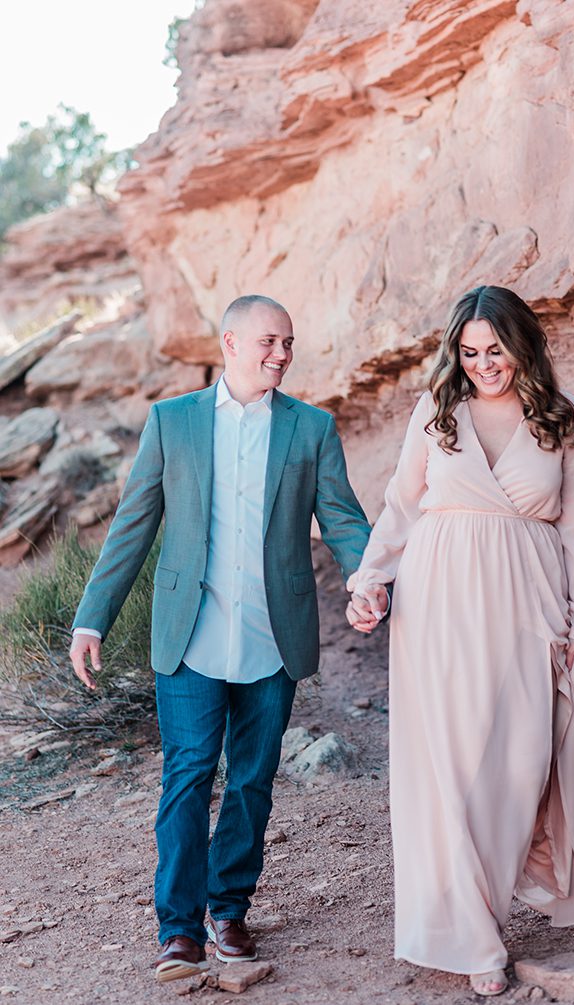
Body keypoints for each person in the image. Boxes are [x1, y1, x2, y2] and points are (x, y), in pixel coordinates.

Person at [345, 285, 574, 997]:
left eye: (495, 351)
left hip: (528, 604)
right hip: (438, 606)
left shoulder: (562, 421)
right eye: (469, 352)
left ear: (522, 346)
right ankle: (475, 937)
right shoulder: (436, 412)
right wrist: (370, 579)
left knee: (515, 764)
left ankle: (494, 897)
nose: (483, 365)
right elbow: (401, 506)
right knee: (449, 767)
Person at [68, 295, 372, 982]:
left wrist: (370, 578)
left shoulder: (312, 428)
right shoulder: (171, 421)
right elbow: (132, 524)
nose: (282, 354)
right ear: (230, 342)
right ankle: (178, 930)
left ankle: (228, 909)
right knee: (187, 776)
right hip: (190, 638)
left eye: (289, 342)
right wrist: (93, 616)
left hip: (274, 637)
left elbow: (345, 521)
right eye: (269, 341)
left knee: (253, 783)